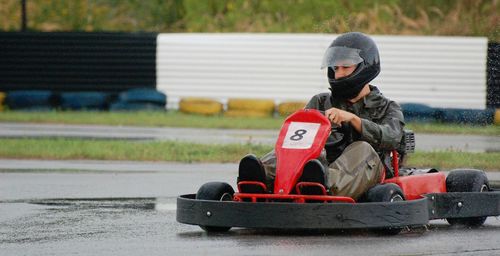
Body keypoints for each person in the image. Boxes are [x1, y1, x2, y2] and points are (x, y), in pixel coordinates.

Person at [238, 32, 405, 200]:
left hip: (368, 170)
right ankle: (259, 178)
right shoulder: (321, 101)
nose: (338, 74)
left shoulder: (387, 107)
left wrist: (353, 120)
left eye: (345, 67)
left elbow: (392, 138)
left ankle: (322, 185)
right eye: (335, 68)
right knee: (297, 148)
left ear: (366, 66)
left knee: (362, 148)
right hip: (320, 166)